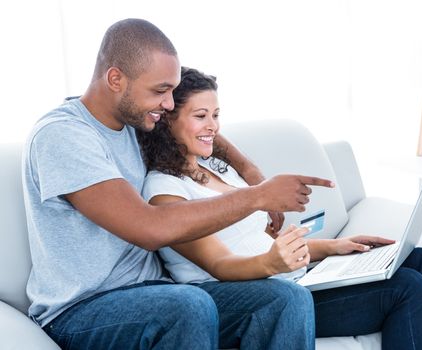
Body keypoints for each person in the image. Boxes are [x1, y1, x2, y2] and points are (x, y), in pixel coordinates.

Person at [139, 67, 422, 350]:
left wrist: (335, 247)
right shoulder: (165, 192)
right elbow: (222, 265)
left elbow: (262, 243)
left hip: (288, 277)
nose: (212, 127)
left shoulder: (215, 169)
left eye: (217, 115)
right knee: (407, 288)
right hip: (255, 297)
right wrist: (278, 262)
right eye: (201, 116)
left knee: (415, 259)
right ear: (168, 121)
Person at [22, 18, 334, 349]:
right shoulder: (63, 136)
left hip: (155, 292)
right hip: (81, 312)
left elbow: (201, 129)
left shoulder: (132, 119)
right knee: (187, 306)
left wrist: (251, 171)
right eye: (160, 91)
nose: (169, 104)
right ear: (115, 79)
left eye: (171, 91)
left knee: (285, 298)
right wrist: (257, 196)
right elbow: (148, 229)